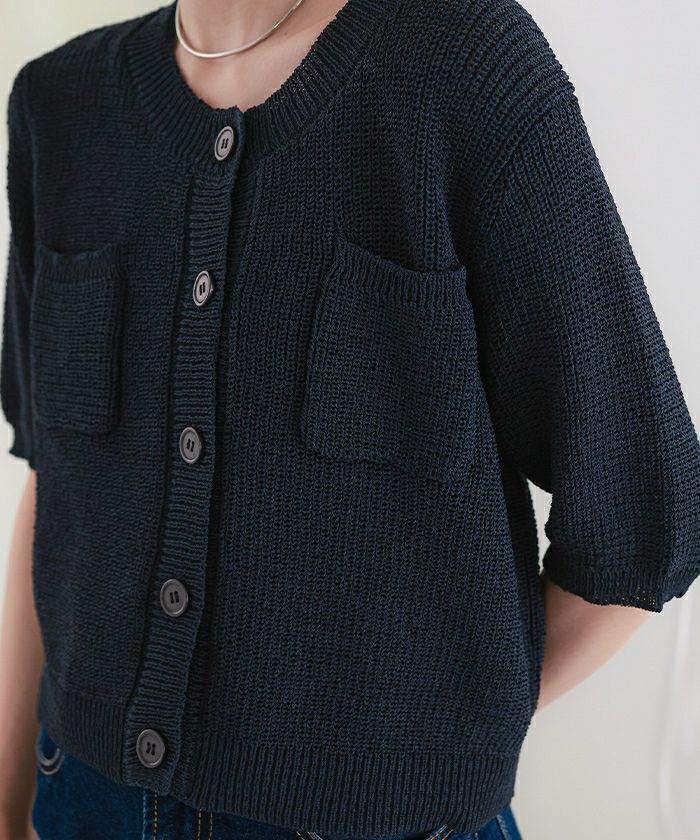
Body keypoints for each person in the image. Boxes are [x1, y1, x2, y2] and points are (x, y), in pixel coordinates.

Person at [1, 0, 699, 838]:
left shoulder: (464, 70)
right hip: (80, 798)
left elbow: (642, 520)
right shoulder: (59, 104)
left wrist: (423, 740)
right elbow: (55, 488)